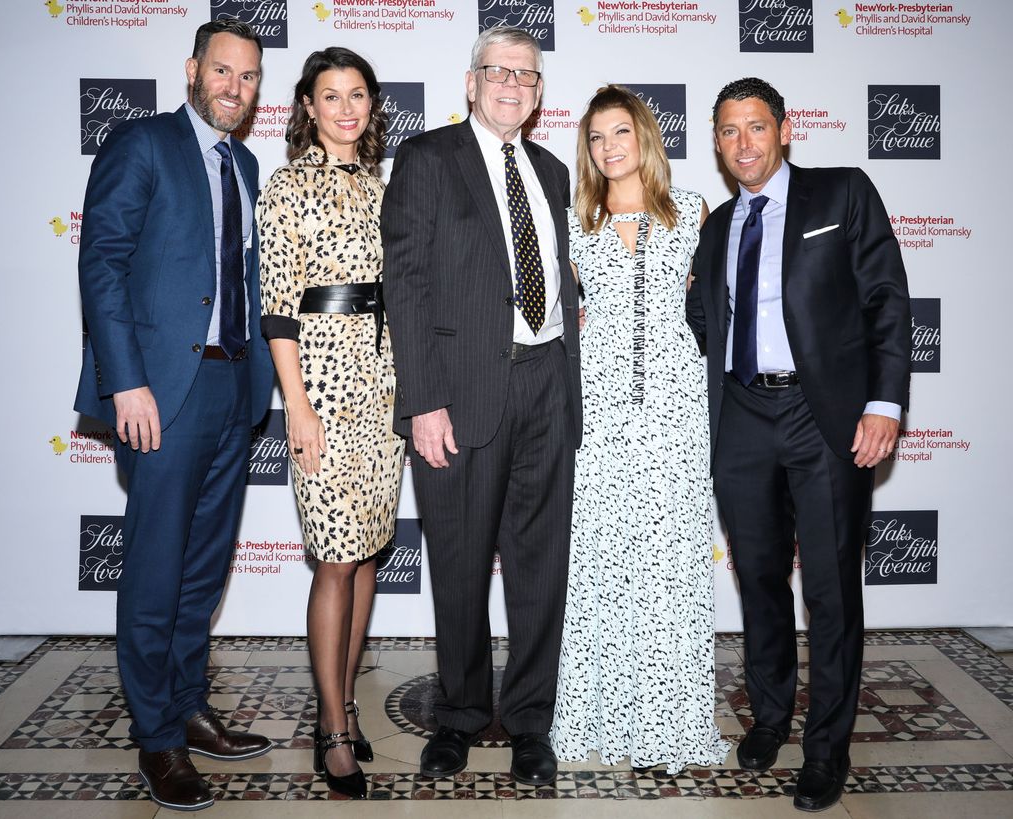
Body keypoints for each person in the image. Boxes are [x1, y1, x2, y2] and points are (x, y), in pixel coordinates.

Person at [685, 77, 911, 812]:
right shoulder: (717, 226)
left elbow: (887, 300)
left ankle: (826, 746)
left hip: (828, 418)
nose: (742, 142)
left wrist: (883, 402)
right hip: (742, 415)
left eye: (755, 126)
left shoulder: (842, 195)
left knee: (831, 589)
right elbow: (703, 317)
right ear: (716, 142)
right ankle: (771, 716)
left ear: (785, 130)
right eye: (727, 130)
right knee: (757, 578)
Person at [74, 19, 275, 812]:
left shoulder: (249, 162)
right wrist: (126, 383)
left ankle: (187, 704)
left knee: (202, 566)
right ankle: (155, 733)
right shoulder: (144, 143)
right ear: (193, 69)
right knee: (156, 567)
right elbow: (103, 262)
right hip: (160, 393)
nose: (235, 87)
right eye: (223, 71)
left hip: (234, 387)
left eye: (250, 77)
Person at [381, 26, 582, 787]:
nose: (513, 85)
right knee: (460, 565)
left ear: (538, 93)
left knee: (538, 568)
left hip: (545, 387)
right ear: (471, 83)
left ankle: (531, 719)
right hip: (458, 396)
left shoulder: (554, 170)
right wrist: (424, 401)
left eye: (527, 77)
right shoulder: (428, 159)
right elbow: (406, 284)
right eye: (499, 72)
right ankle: (461, 714)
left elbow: (550, 273)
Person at [549, 85, 730, 773]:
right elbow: (556, 308)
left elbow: (712, 309)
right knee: (602, 558)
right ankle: (600, 710)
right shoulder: (575, 221)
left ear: (645, 136)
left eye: (619, 132)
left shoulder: (693, 212)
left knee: (669, 562)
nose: (608, 147)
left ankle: (667, 716)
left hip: (677, 411)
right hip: (595, 409)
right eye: (596, 137)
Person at [256, 47, 404, 800]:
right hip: (322, 386)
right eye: (330, 95)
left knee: (371, 551)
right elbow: (278, 308)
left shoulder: (384, 188)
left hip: (383, 392)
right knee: (336, 560)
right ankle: (332, 723)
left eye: (357, 95)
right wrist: (299, 406)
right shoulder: (285, 188)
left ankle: (343, 700)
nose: (345, 107)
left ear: (372, 105)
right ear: (306, 106)